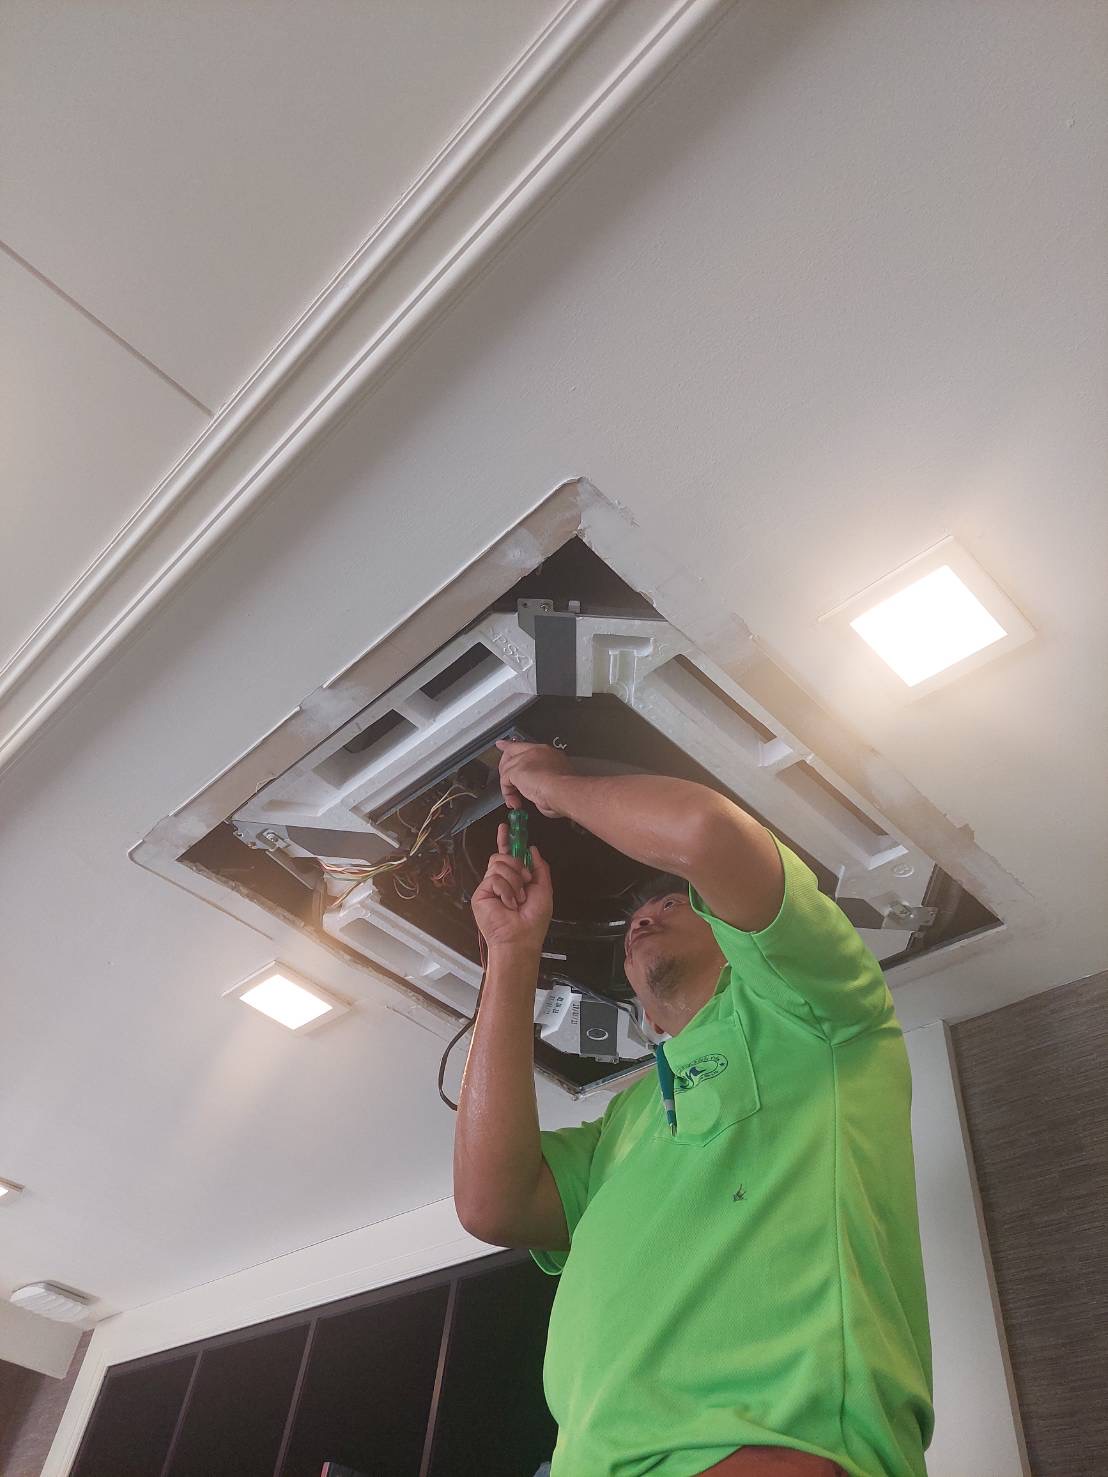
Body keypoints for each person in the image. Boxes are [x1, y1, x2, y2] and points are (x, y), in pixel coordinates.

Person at [453, 741, 933, 1477]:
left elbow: (706, 835)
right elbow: (492, 1203)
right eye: (632, 926)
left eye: (671, 903)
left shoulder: (814, 1009)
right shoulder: (624, 1121)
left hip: (759, 1452)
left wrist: (556, 783)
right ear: (641, 1011)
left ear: (737, 936)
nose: (641, 921)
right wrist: (512, 949)